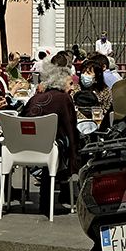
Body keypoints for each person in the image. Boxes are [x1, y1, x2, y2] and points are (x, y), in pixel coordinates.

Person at [20, 63, 81, 207]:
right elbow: (70, 127)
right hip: (48, 149)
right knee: (66, 144)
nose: (72, 87)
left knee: (55, 143)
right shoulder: (64, 98)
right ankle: (66, 190)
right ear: (61, 83)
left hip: (22, 148)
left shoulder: (35, 98)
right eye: (70, 83)